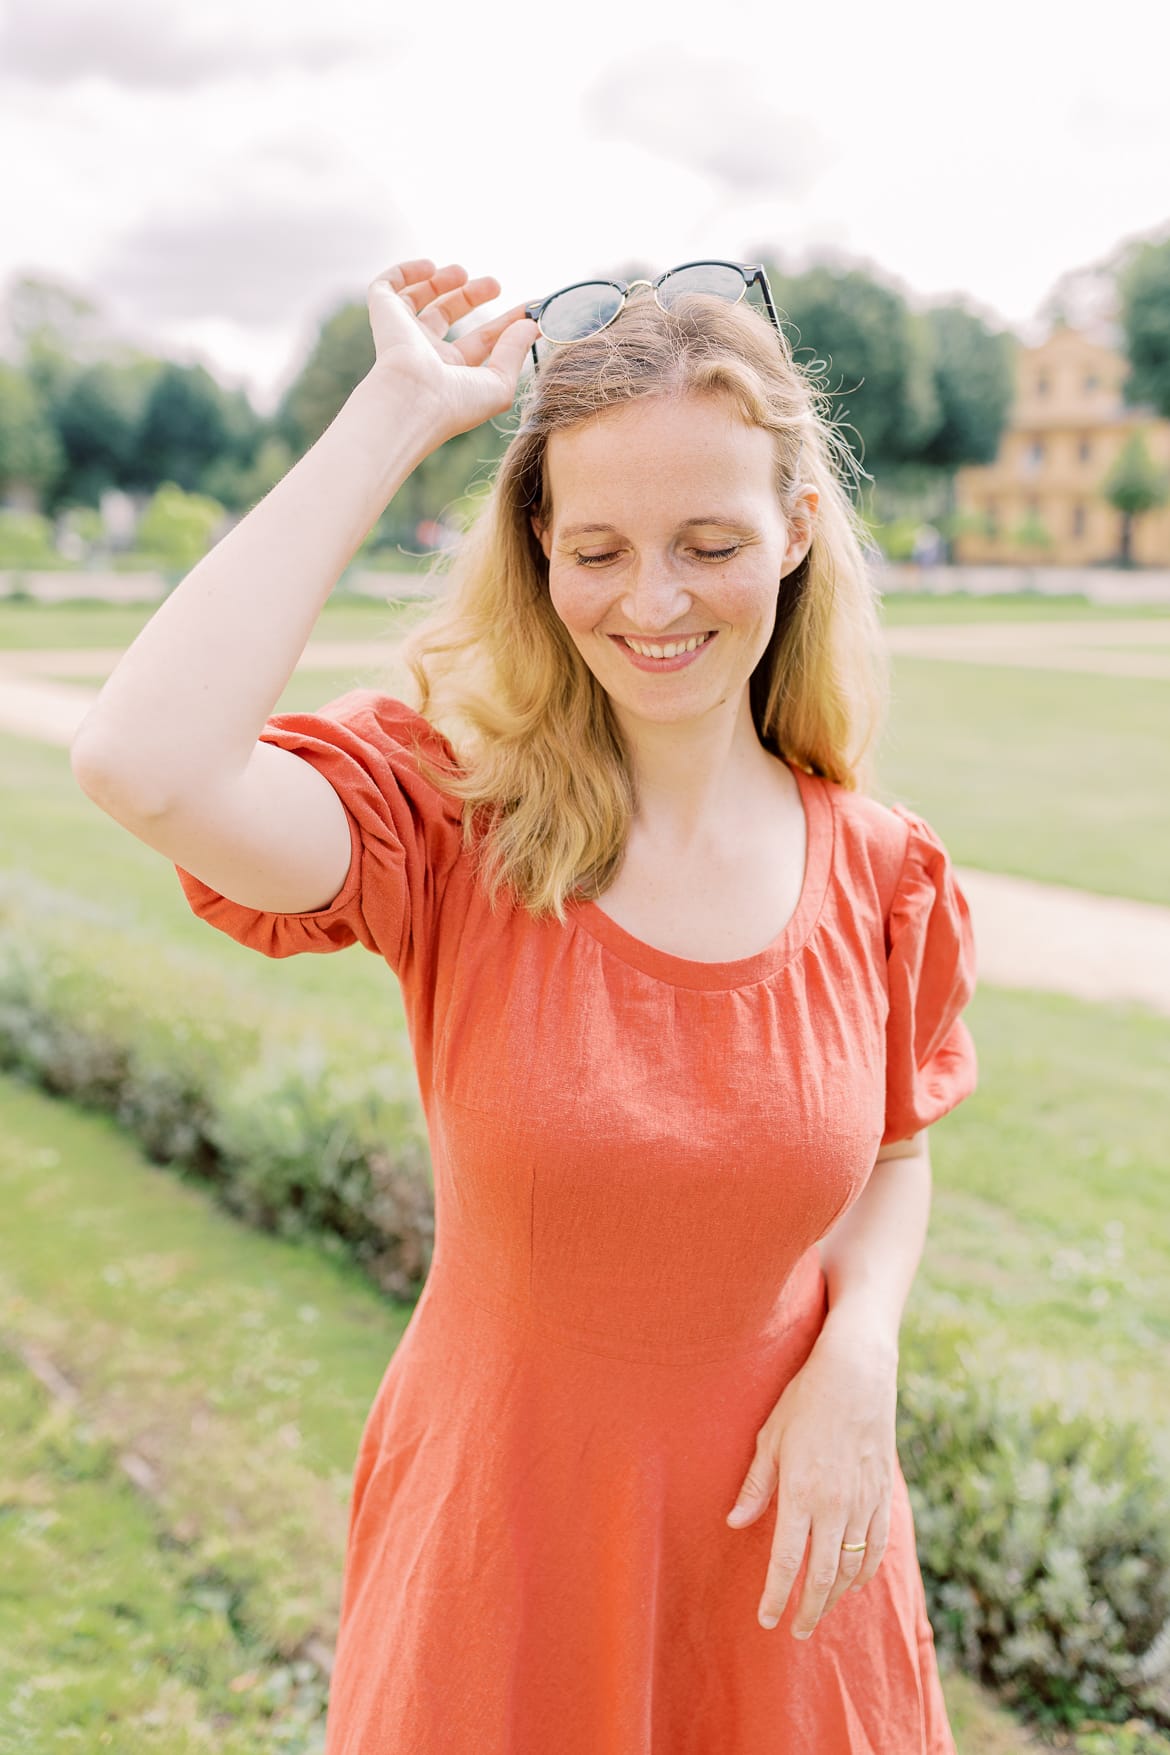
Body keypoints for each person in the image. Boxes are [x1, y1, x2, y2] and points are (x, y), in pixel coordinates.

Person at [70, 256, 978, 1754]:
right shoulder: (450, 827)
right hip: (510, 1567)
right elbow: (144, 764)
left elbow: (894, 1150)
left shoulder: (882, 873)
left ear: (796, 533)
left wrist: (857, 1352)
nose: (655, 601)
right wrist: (396, 411)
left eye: (707, 542)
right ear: (540, 553)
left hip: (795, 1568)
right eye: (599, 549)